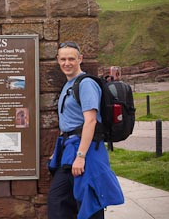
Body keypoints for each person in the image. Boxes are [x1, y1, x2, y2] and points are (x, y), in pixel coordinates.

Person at [47, 41, 124, 219]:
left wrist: (81, 156)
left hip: (87, 151)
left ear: (80, 59)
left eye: (71, 59)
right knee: (58, 202)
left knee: (89, 203)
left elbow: (90, 121)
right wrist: (56, 151)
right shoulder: (68, 84)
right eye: (63, 59)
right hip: (69, 150)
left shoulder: (86, 84)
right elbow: (67, 122)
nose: (67, 63)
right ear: (58, 60)